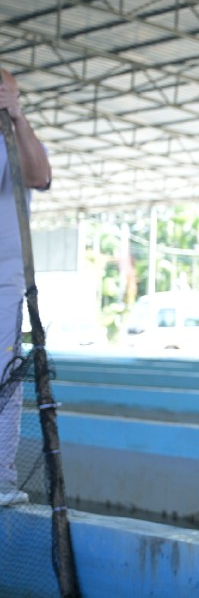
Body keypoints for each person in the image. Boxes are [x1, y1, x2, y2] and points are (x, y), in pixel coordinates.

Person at [0, 67, 50, 506]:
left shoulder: (17, 142)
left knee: (4, 373)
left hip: (4, 277)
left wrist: (16, 116)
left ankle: (1, 477)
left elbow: (39, 177)